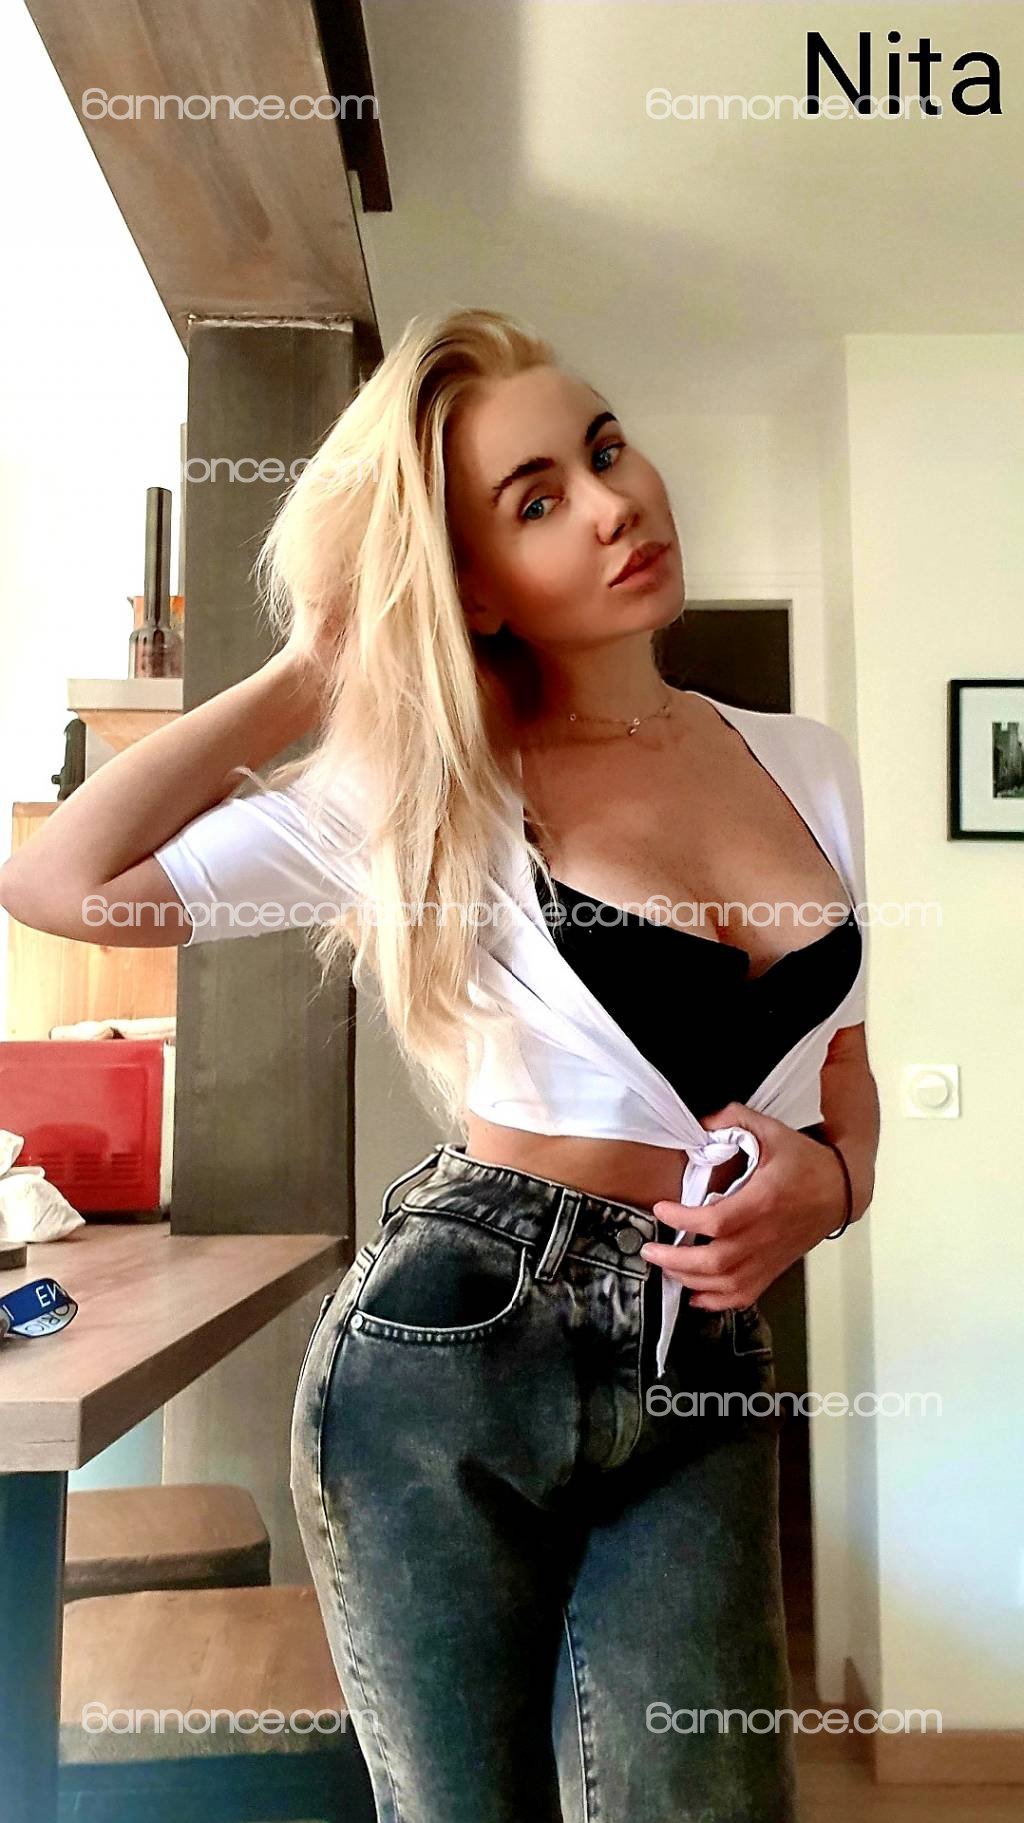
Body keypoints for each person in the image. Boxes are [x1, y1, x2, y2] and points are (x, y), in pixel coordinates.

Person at [0, 306, 879, 1821]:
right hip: (458, 1337)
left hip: (704, 1346)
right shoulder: (421, 793)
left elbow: (844, 1063)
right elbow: (63, 883)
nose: (613, 504)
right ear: (469, 584)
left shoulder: (808, 762)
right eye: (535, 502)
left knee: (712, 1801)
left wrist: (837, 1183)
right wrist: (316, 666)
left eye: (606, 450)